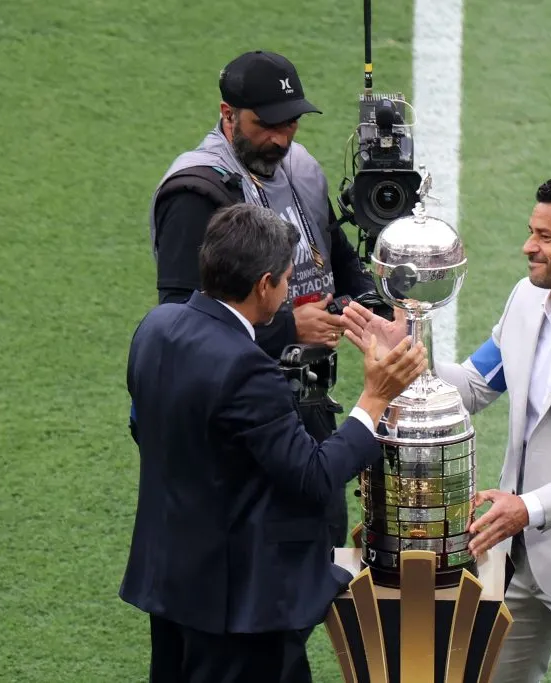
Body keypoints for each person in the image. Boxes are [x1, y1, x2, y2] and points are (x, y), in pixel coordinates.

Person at [340, 176, 551, 682]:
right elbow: (476, 385)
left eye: (545, 236)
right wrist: (409, 358)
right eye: (530, 231)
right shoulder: (526, 301)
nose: (528, 246)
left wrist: (528, 508)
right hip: (514, 558)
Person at [120, 203, 427, 683]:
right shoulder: (247, 369)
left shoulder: (155, 329)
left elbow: (146, 429)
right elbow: (314, 476)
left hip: (170, 583)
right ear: (264, 284)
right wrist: (375, 397)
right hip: (239, 607)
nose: (288, 292)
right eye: (285, 280)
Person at [146, 49, 383, 550]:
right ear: (227, 114)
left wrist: (368, 304)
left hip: (307, 392)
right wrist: (289, 328)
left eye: (290, 123)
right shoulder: (196, 192)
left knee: (321, 533)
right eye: (266, 125)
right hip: (235, 412)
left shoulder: (300, 168)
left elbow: (333, 249)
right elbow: (180, 327)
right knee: (262, 554)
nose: (280, 138)